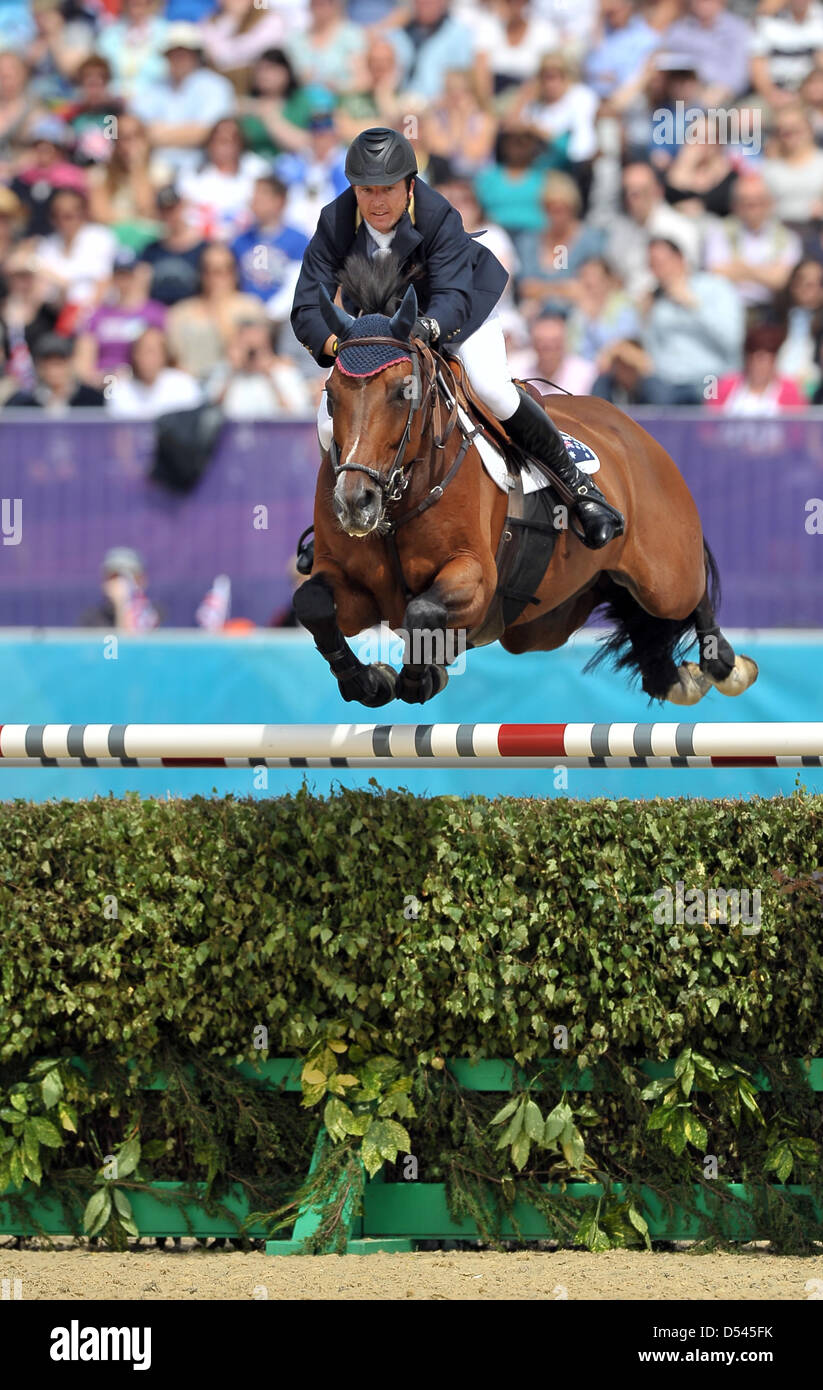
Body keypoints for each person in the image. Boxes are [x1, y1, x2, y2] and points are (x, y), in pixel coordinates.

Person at [291, 126, 622, 548]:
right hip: (378, 333)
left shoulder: (436, 213)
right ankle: (334, 528)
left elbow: (452, 297)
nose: (376, 202)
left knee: (492, 389)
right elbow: (305, 307)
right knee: (326, 421)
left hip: (455, 314)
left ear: (409, 186)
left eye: (388, 189)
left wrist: (424, 331)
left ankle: (579, 489)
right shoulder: (334, 220)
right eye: (366, 190)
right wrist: (344, 348)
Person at [641, 235, 745, 395]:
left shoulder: (716, 287)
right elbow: (651, 353)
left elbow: (732, 339)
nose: (658, 270)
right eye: (653, 265)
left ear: (681, 259)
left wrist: (695, 306)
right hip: (668, 382)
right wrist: (643, 317)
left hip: (711, 378)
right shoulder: (656, 300)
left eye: (662, 262)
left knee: (711, 403)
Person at [130, 23, 236, 177]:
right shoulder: (155, 86)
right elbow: (134, 128)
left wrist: (158, 133)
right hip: (156, 166)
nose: (178, 58)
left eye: (184, 53)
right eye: (173, 53)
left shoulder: (215, 85)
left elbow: (209, 133)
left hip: (203, 168)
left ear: (196, 54)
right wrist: (186, 131)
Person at [165, 241, 266, 378]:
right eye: (208, 270)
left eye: (223, 270)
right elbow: (173, 357)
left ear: (234, 272)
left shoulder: (250, 307)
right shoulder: (180, 312)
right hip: (190, 383)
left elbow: (255, 352)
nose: (215, 278)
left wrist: (218, 309)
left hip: (234, 383)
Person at [703, 174, 801, 312]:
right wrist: (766, 272)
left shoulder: (788, 237)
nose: (752, 208)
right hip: (729, 309)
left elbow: (782, 280)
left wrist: (741, 268)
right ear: (734, 205)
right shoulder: (719, 232)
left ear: (770, 203)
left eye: (758, 201)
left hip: (772, 312)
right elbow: (715, 274)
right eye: (745, 202)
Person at [74, 246, 166, 385]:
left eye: (128, 274)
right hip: (103, 386)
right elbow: (83, 362)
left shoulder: (155, 313)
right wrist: (103, 380)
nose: (124, 281)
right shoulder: (97, 315)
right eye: (119, 275)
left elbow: (163, 356)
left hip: (142, 384)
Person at [177, 117, 269, 242]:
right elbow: (185, 213)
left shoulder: (258, 170)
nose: (225, 146)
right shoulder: (193, 172)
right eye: (219, 140)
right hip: (203, 241)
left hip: (249, 240)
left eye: (231, 140)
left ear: (241, 143)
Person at [230, 174, 308, 315]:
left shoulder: (299, 241)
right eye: (254, 194)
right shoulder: (240, 241)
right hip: (244, 314)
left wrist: (271, 314)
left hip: (284, 315)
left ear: (279, 201)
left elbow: (295, 286)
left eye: (261, 195)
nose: (254, 200)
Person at [35, 187, 117, 314]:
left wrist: (84, 313)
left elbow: (104, 283)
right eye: (56, 215)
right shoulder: (47, 245)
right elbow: (43, 290)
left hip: (96, 313)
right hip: (57, 313)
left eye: (68, 216)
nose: (62, 222)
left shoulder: (100, 237)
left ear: (83, 214)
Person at [208, 318, 311, 417]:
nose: (252, 354)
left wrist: (270, 376)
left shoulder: (286, 373)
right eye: (247, 346)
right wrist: (233, 371)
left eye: (258, 347)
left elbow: (296, 416)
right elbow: (211, 411)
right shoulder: (225, 372)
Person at [105, 324, 202, 417]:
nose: (148, 359)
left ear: (164, 355)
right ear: (134, 355)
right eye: (142, 352)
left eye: (153, 352)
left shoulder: (184, 385)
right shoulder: (120, 388)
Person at [710, 322, 808, 413]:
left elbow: (799, 427)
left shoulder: (790, 391)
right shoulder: (724, 386)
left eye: (762, 359)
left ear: (774, 360)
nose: (756, 365)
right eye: (751, 358)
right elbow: (707, 424)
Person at [137, 186, 209, 306]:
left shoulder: (204, 248)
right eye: (164, 210)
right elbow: (141, 289)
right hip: (159, 312)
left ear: (182, 207)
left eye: (173, 208)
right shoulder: (151, 251)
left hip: (193, 313)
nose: (170, 215)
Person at [4, 331, 105, 410]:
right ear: (39, 367)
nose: (53, 371)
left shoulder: (91, 400)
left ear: (70, 364)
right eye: (47, 364)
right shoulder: (24, 402)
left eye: (59, 364)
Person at [591, 337, 701, 404]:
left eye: (630, 365)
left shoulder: (650, 387)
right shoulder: (608, 385)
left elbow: (662, 405)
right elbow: (595, 407)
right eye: (620, 364)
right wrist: (608, 360)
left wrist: (646, 370)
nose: (625, 370)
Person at [79, 546, 160, 629]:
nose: (122, 584)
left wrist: (126, 605)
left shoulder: (155, 616)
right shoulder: (92, 620)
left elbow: (136, 640)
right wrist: (120, 605)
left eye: (130, 576)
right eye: (115, 577)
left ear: (142, 581)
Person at [525, 309, 598, 394]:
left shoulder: (586, 374)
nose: (549, 353)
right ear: (533, 345)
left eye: (555, 344)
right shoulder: (516, 371)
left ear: (564, 344)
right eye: (543, 346)